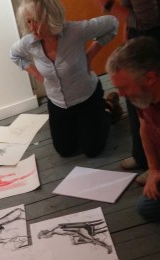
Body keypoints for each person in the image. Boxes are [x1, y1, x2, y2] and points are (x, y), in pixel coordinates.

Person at [10, 0, 122, 158]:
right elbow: (14, 55)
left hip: (87, 98)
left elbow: (112, 23)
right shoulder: (29, 42)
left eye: (37, 20)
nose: (32, 27)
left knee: (92, 150)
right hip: (58, 103)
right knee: (65, 150)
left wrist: (90, 55)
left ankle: (108, 107)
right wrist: (39, 76)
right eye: (28, 21)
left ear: (50, 16)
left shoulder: (75, 31)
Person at [98, 0, 160, 185]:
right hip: (139, 35)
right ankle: (143, 158)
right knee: (141, 114)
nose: (121, 93)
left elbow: (148, 21)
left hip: (151, 37)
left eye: (122, 88)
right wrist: (127, 34)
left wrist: (108, 4)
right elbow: (130, 11)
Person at [106, 36, 160, 220]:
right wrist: (154, 169)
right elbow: (144, 128)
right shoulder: (143, 96)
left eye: (124, 87)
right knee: (145, 207)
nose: (121, 94)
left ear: (150, 78)